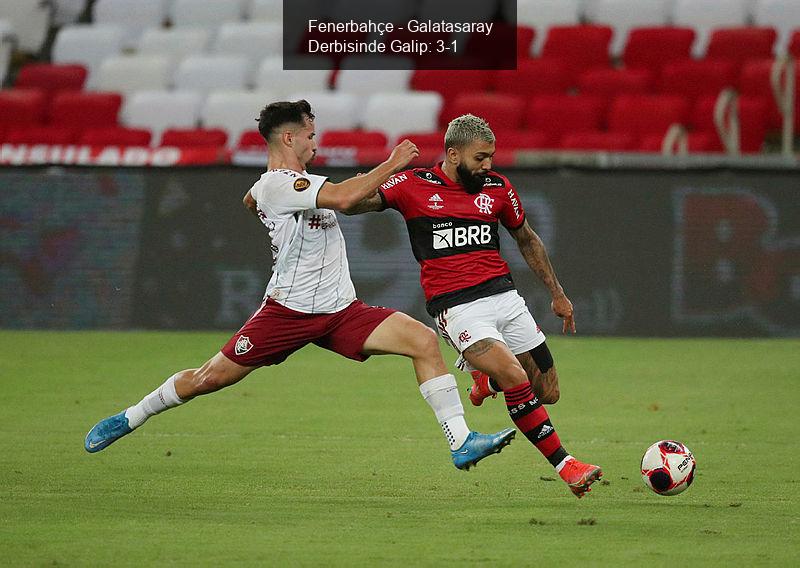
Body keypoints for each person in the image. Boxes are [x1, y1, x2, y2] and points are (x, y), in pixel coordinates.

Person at [84, 101, 515, 471]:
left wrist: (256, 200)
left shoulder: (283, 185)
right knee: (208, 378)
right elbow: (345, 200)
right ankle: (131, 416)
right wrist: (392, 163)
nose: (316, 142)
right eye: (311, 134)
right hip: (288, 313)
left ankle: (460, 441)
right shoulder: (279, 183)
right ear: (288, 138)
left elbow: (254, 199)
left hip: (341, 310)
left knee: (422, 340)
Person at [343, 114, 602, 497]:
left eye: (491, 157)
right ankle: (567, 466)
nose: (488, 165)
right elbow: (351, 204)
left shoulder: (497, 188)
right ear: (452, 154)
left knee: (547, 391)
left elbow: (526, 239)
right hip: (458, 308)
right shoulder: (412, 185)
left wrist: (558, 294)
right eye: (480, 158)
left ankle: (485, 378)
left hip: (505, 298)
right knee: (515, 378)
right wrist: (391, 165)